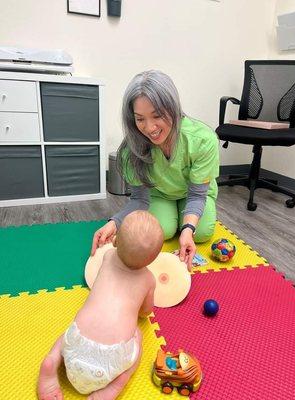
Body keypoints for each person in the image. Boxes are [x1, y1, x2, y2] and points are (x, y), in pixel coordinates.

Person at [91, 70, 219, 270]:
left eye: (157, 116)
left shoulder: (203, 139)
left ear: (173, 109)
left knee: (201, 233)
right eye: (140, 119)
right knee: (162, 231)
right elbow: (139, 200)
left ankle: (184, 222)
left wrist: (187, 229)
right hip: (159, 195)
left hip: (193, 195)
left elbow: (197, 196)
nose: (150, 128)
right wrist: (114, 222)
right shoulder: (130, 149)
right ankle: (174, 217)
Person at [37, 210, 163, 400]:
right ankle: (111, 389)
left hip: (75, 347)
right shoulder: (148, 279)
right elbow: (146, 312)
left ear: (115, 241)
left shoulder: (108, 257)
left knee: (70, 330)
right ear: (153, 259)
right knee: (138, 337)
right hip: (111, 362)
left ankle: (52, 361)